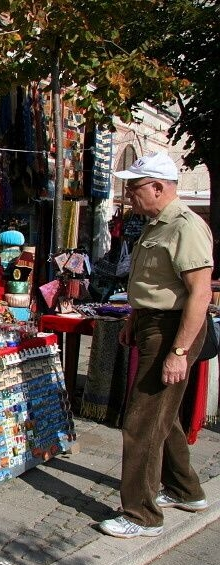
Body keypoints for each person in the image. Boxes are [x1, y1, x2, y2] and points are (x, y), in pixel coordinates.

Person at [98, 152, 213, 539]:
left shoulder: (185, 226)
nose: (129, 195)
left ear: (158, 187)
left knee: (143, 421)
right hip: (152, 322)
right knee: (163, 415)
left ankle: (141, 515)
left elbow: (199, 294)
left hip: (172, 328)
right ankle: (186, 490)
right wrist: (135, 317)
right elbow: (155, 284)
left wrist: (179, 351)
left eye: (134, 188)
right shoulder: (155, 224)